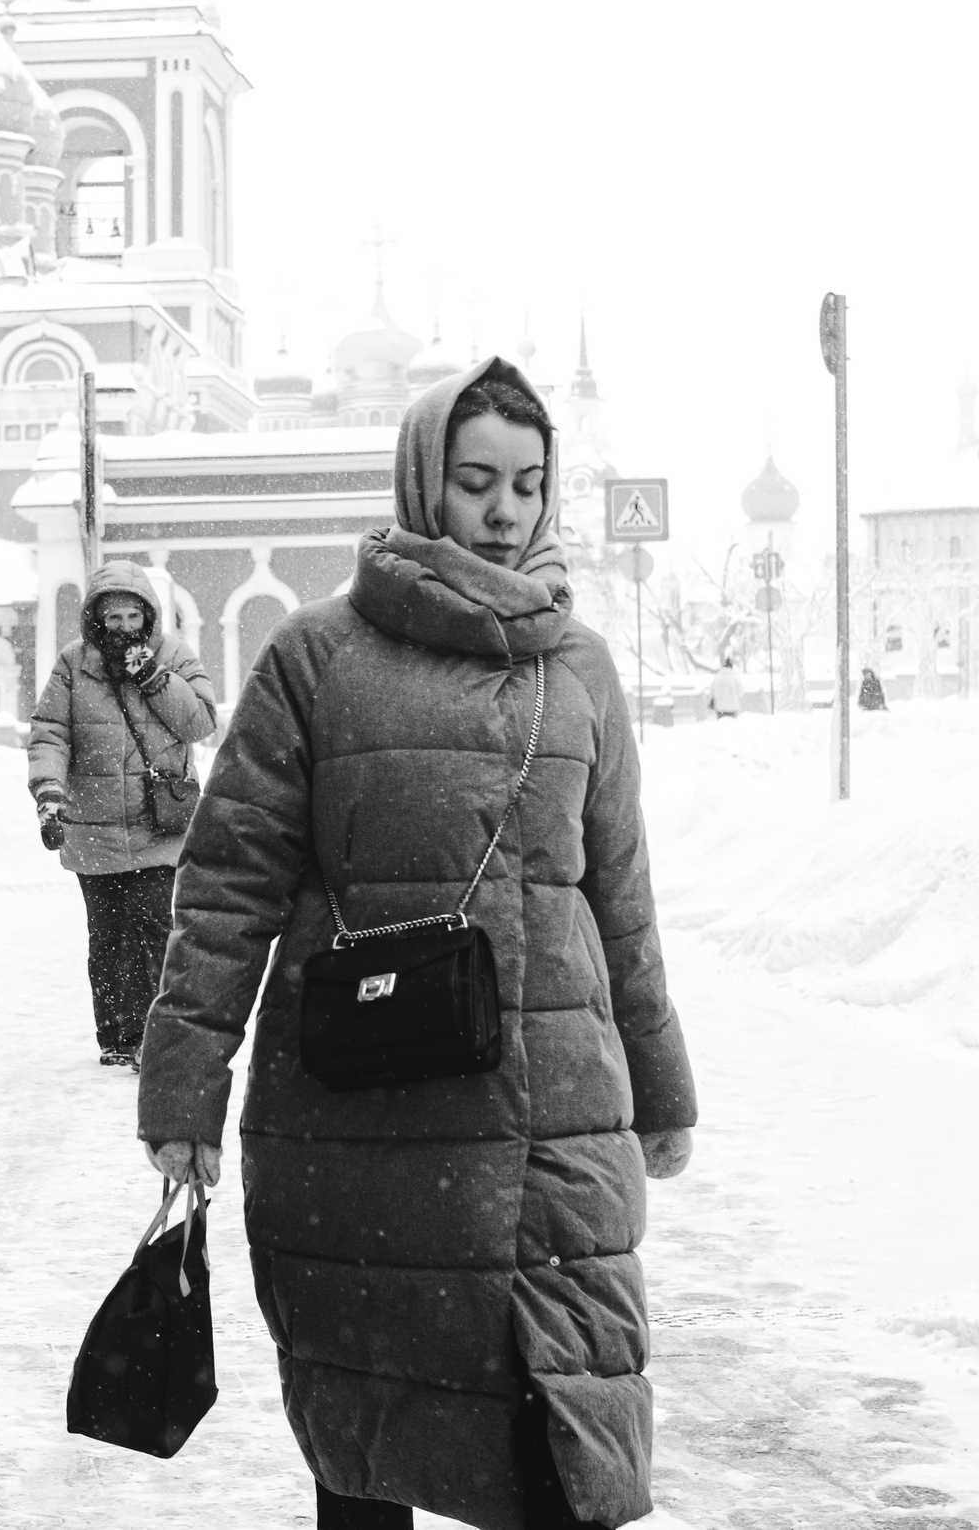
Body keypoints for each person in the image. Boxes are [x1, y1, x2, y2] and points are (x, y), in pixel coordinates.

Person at [138, 359, 697, 1530]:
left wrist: (661, 1087)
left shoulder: (580, 667)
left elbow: (622, 897)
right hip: (359, 1110)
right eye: (478, 480)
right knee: (370, 1427)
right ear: (420, 482)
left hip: (552, 1114)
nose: (505, 511)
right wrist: (182, 1090)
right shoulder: (316, 658)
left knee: (567, 1433)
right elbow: (230, 885)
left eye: (529, 485)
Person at [28, 562, 218, 1071]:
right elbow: (50, 733)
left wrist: (155, 679)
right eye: (114, 619)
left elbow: (201, 722)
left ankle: (157, 1035)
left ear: (149, 615)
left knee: (158, 932)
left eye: (134, 615)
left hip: (160, 825)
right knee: (109, 940)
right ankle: (117, 1036)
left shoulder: (174, 657)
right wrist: (49, 793)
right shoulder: (74, 664)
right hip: (93, 832)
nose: (125, 627)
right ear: (96, 619)